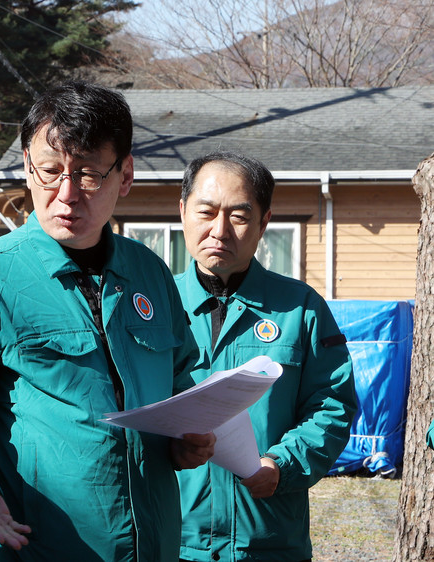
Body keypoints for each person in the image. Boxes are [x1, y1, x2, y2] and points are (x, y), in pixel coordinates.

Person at [0, 80, 215, 561]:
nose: (66, 194)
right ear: (27, 167)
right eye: (49, 172)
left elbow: (182, 383)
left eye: (88, 175)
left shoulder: (149, 272)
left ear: (125, 175)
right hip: (35, 546)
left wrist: (186, 440)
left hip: (152, 546)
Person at [174, 151, 357, 562]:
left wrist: (281, 464)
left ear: (264, 222)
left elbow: (332, 406)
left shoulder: (301, 309)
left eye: (238, 216)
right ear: (183, 211)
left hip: (269, 542)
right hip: (173, 540)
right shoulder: (153, 306)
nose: (219, 230)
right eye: (206, 212)